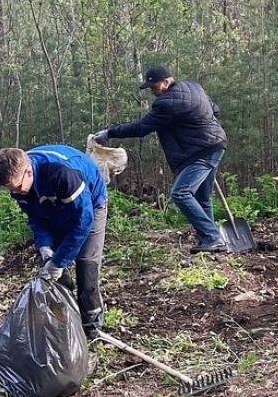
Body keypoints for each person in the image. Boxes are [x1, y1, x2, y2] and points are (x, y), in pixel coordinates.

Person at [93, 64, 228, 254]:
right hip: (215, 144)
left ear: (166, 82)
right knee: (202, 197)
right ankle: (207, 238)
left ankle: (212, 238)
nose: (153, 92)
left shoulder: (166, 103)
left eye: (154, 87)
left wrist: (110, 133)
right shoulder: (194, 87)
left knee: (180, 193)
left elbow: (141, 127)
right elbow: (215, 110)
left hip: (201, 151)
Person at [0, 145, 107, 338]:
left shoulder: (62, 173)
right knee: (50, 270)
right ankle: (64, 321)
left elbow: (82, 222)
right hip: (53, 209)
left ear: (28, 171)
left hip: (90, 206)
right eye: (12, 190)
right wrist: (45, 247)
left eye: (19, 187)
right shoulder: (20, 185)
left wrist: (59, 262)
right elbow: (36, 218)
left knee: (86, 264)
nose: (17, 193)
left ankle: (92, 327)